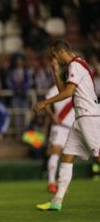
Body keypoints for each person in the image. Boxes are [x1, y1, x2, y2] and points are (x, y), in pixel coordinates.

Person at [33, 40, 100, 211]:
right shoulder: (77, 64)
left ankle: (57, 200)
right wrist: (55, 71)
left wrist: (44, 102)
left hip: (88, 116)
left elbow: (69, 92)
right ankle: (57, 201)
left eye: (54, 56)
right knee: (67, 156)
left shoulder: (75, 66)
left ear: (60, 52)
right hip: (81, 117)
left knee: (98, 156)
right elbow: (66, 91)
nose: (54, 59)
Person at [44, 84, 75, 193]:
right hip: (59, 126)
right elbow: (46, 103)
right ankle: (51, 183)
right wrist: (52, 116)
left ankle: (62, 184)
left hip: (72, 128)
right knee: (55, 152)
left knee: (67, 157)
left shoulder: (75, 87)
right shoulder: (54, 89)